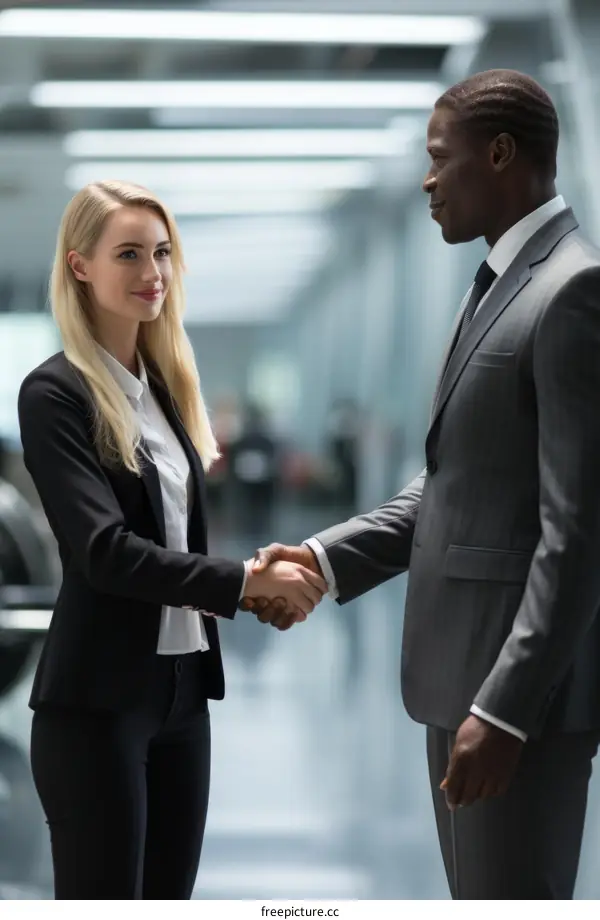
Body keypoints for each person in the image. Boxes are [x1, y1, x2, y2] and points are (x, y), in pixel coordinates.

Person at [242, 69, 600, 900]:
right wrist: (324, 560)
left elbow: (577, 529)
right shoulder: (498, 288)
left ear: (502, 153)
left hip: (514, 703)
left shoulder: (571, 291)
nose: (429, 181)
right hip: (458, 681)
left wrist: (507, 709)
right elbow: (454, 484)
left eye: (442, 159)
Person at [17, 180, 326, 900]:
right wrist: (243, 582)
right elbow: (104, 552)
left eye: (161, 252)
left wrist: (249, 593)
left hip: (184, 695)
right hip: (97, 706)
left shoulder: (164, 388)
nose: (152, 272)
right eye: (128, 254)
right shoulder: (54, 394)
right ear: (80, 266)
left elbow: (174, 541)